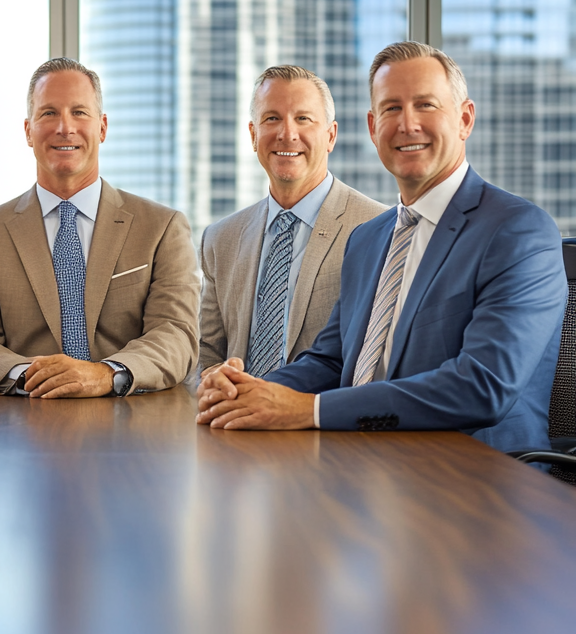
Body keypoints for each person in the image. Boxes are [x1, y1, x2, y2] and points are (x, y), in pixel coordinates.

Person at [197, 41, 566, 453]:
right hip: (361, 466)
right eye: (391, 108)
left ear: (464, 120)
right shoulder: (369, 239)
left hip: (474, 483)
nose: (407, 124)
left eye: (425, 105)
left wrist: (310, 410)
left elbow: (481, 388)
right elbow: (331, 361)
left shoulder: (518, 231)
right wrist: (248, 391)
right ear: (373, 128)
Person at [0, 57, 199, 398]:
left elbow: (176, 335)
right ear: (28, 130)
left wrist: (104, 374)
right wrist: (37, 377)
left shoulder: (161, 227)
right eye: (48, 113)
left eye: (79, 112)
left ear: (103, 127)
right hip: (23, 423)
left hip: (136, 427)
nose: (64, 127)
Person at [199, 65, 384, 380]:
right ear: (253, 134)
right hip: (233, 420)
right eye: (272, 118)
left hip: (327, 423)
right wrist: (213, 378)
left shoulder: (379, 228)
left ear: (331, 135)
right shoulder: (221, 238)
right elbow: (204, 354)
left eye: (303, 119)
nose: (287, 133)